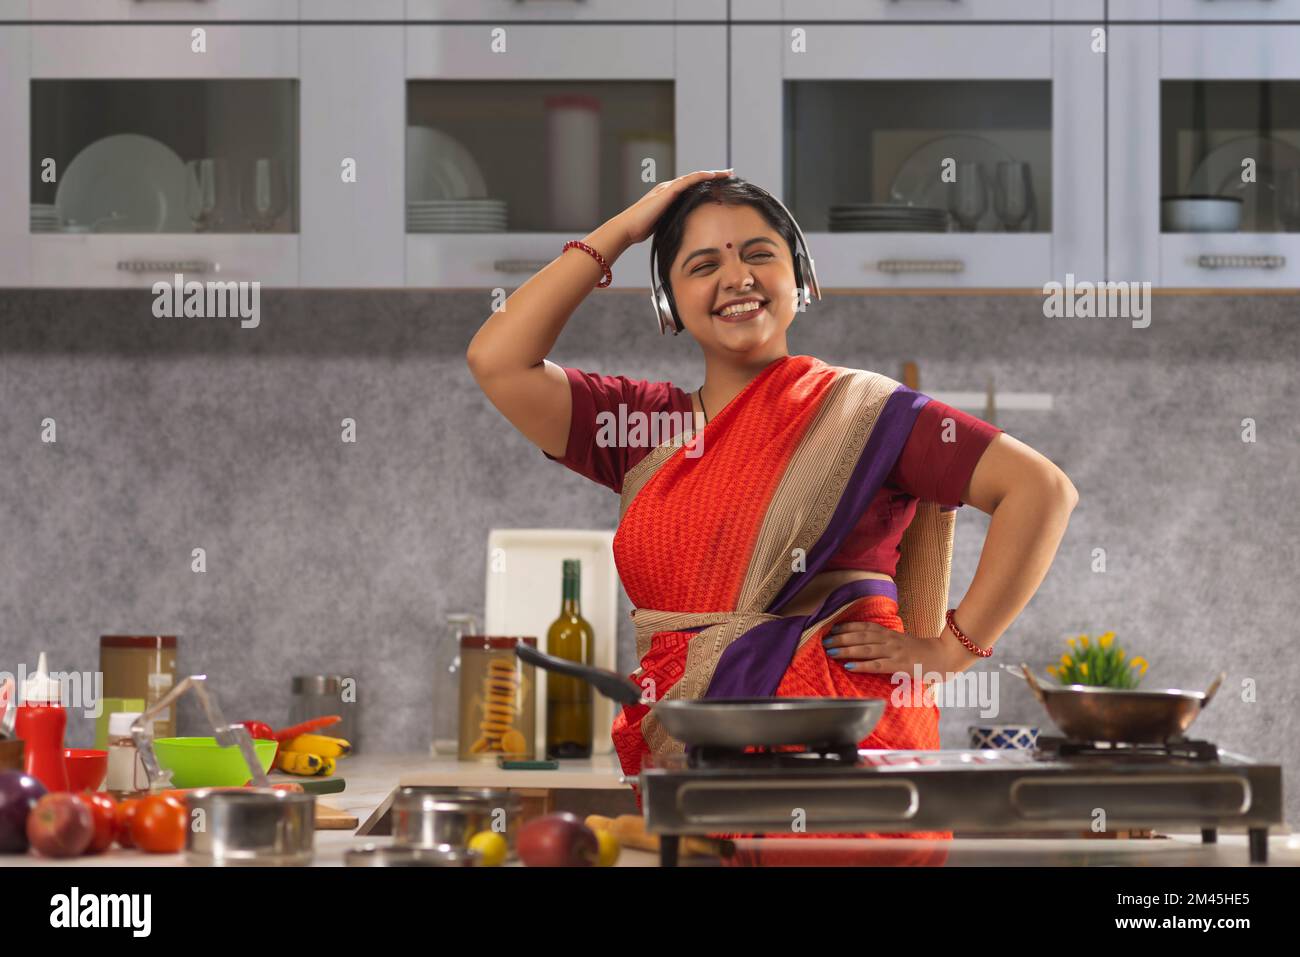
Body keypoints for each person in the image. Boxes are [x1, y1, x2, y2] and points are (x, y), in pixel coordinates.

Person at [467, 170, 1078, 842]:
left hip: (847, 771)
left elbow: (1041, 491)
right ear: (669, 298)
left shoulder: (866, 416)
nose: (738, 278)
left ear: (801, 277)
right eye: (703, 264)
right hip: (698, 755)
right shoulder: (643, 427)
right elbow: (499, 360)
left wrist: (950, 652)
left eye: (760, 254)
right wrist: (625, 228)